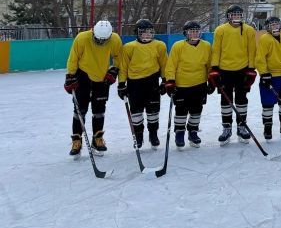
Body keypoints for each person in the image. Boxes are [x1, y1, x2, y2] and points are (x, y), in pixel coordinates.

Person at [64, 19, 123, 156]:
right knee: (80, 110)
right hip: (83, 75)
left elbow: (118, 56)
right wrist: (70, 76)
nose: (101, 42)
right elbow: (73, 58)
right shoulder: (82, 38)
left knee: (99, 110)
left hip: (101, 77)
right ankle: (76, 141)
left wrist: (114, 70)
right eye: (98, 39)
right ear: (93, 31)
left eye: (104, 40)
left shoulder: (114, 39)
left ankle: (97, 139)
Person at [209, 4, 257, 145]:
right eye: (233, 15)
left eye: (239, 15)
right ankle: (227, 128)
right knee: (226, 100)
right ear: (228, 16)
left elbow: (252, 51)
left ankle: (242, 127)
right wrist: (215, 69)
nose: (236, 17)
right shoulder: (220, 30)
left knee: (242, 99)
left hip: (242, 70)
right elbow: (216, 50)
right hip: (225, 70)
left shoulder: (248, 30)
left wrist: (251, 69)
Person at [118, 19, 168, 148]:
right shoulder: (129, 47)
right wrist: (121, 84)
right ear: (137, 33)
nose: (147, 35)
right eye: (143, 33)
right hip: (134, 84)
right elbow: (123, 67)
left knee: (153, 111)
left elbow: (164, 64)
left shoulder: (160, 45)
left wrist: (165, 80)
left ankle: (153, 134)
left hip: (152, 82)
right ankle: (139, 135)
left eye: (149, 33)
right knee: (136, 112)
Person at [164, 20, 213, 148]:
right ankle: (179, 133)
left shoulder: (206, 46)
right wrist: (170, 82)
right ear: (185, 33)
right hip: (182, 85)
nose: (194, 34)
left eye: (196, 31)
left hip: (200, 84)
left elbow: (210, 65)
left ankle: (193, 132)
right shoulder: (178, 46)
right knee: (181, 111)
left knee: (196, 110)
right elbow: (171, 65)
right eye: (191, 32)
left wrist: (212, 80)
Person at [255, 17, 281, 141]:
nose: (275, 27)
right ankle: (267, 128)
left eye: (276, 24)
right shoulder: (265, 39)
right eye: (272, 25)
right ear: (268, 27)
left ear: (280, 26)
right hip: (270, 77)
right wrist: (264, 74)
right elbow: (260, 58)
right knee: (268, 104)